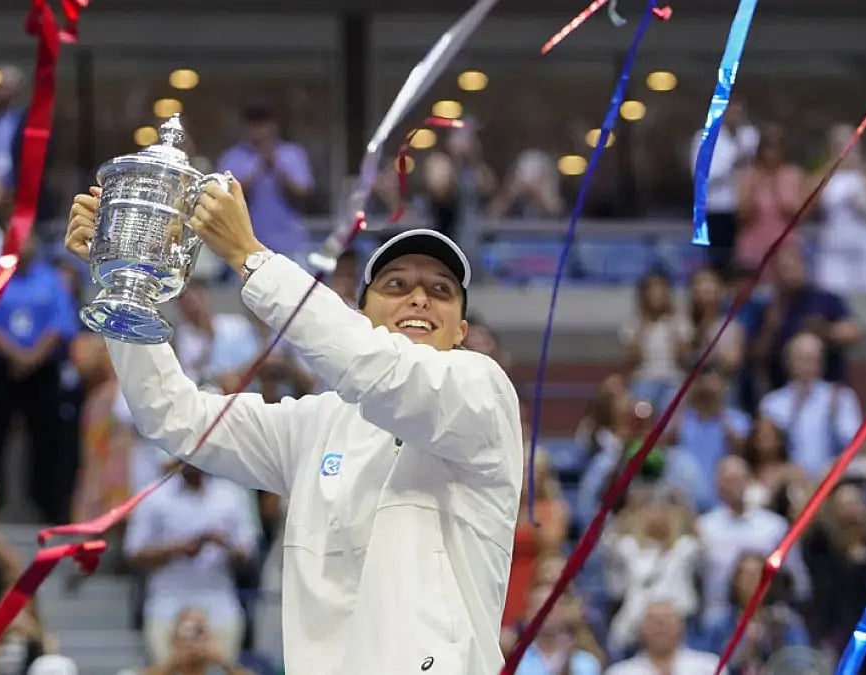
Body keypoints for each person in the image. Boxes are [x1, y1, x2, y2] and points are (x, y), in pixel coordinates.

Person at [64, 178, 523, 674]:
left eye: (440, 290)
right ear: (359, 315)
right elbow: (173, 415)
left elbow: (379, 369)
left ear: (460, 331)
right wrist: (124, 286)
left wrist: (250, 256)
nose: (419, 299)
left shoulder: (484, 392)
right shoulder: (314, 425)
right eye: (396, 285)